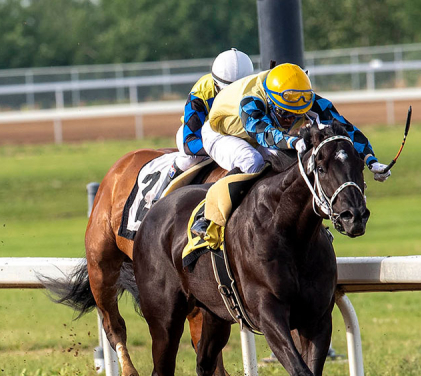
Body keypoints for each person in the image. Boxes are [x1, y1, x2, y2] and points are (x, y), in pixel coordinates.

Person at [191, 63, 391, 238]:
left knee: (292, 166)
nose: (289, 120)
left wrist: (370, 159)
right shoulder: (251, 100)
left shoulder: (307, 99)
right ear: (270, 100)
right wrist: (293, 142)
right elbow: (263, 133)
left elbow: (346, 130)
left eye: (296, 115)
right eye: (284, 113)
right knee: (250, 160)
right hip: (222, 133)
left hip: (259, 133)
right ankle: (205, 215)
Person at [167, 48, 254, 180]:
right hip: (198, 135)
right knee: (189, 160)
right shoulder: (201, 93)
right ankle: (161, 192)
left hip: (232, 136)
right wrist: (219, 149)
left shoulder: (255, 89)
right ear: (216, 85)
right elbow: (189, 143)